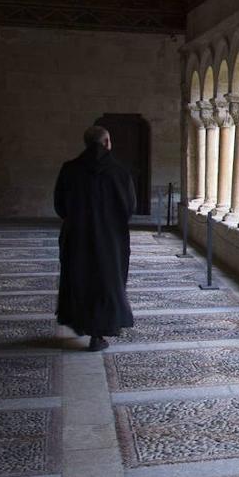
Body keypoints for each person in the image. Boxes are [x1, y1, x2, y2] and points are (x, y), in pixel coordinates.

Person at [54, 126, 136, 351]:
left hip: (77, 237)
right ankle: (99, 334)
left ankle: (82, 323)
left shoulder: (69, 169)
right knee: (107, 281)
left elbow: (60, 206)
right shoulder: (119, 171)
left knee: (80, 279)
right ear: (107, 142)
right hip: (111, 240)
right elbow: (129, 207)